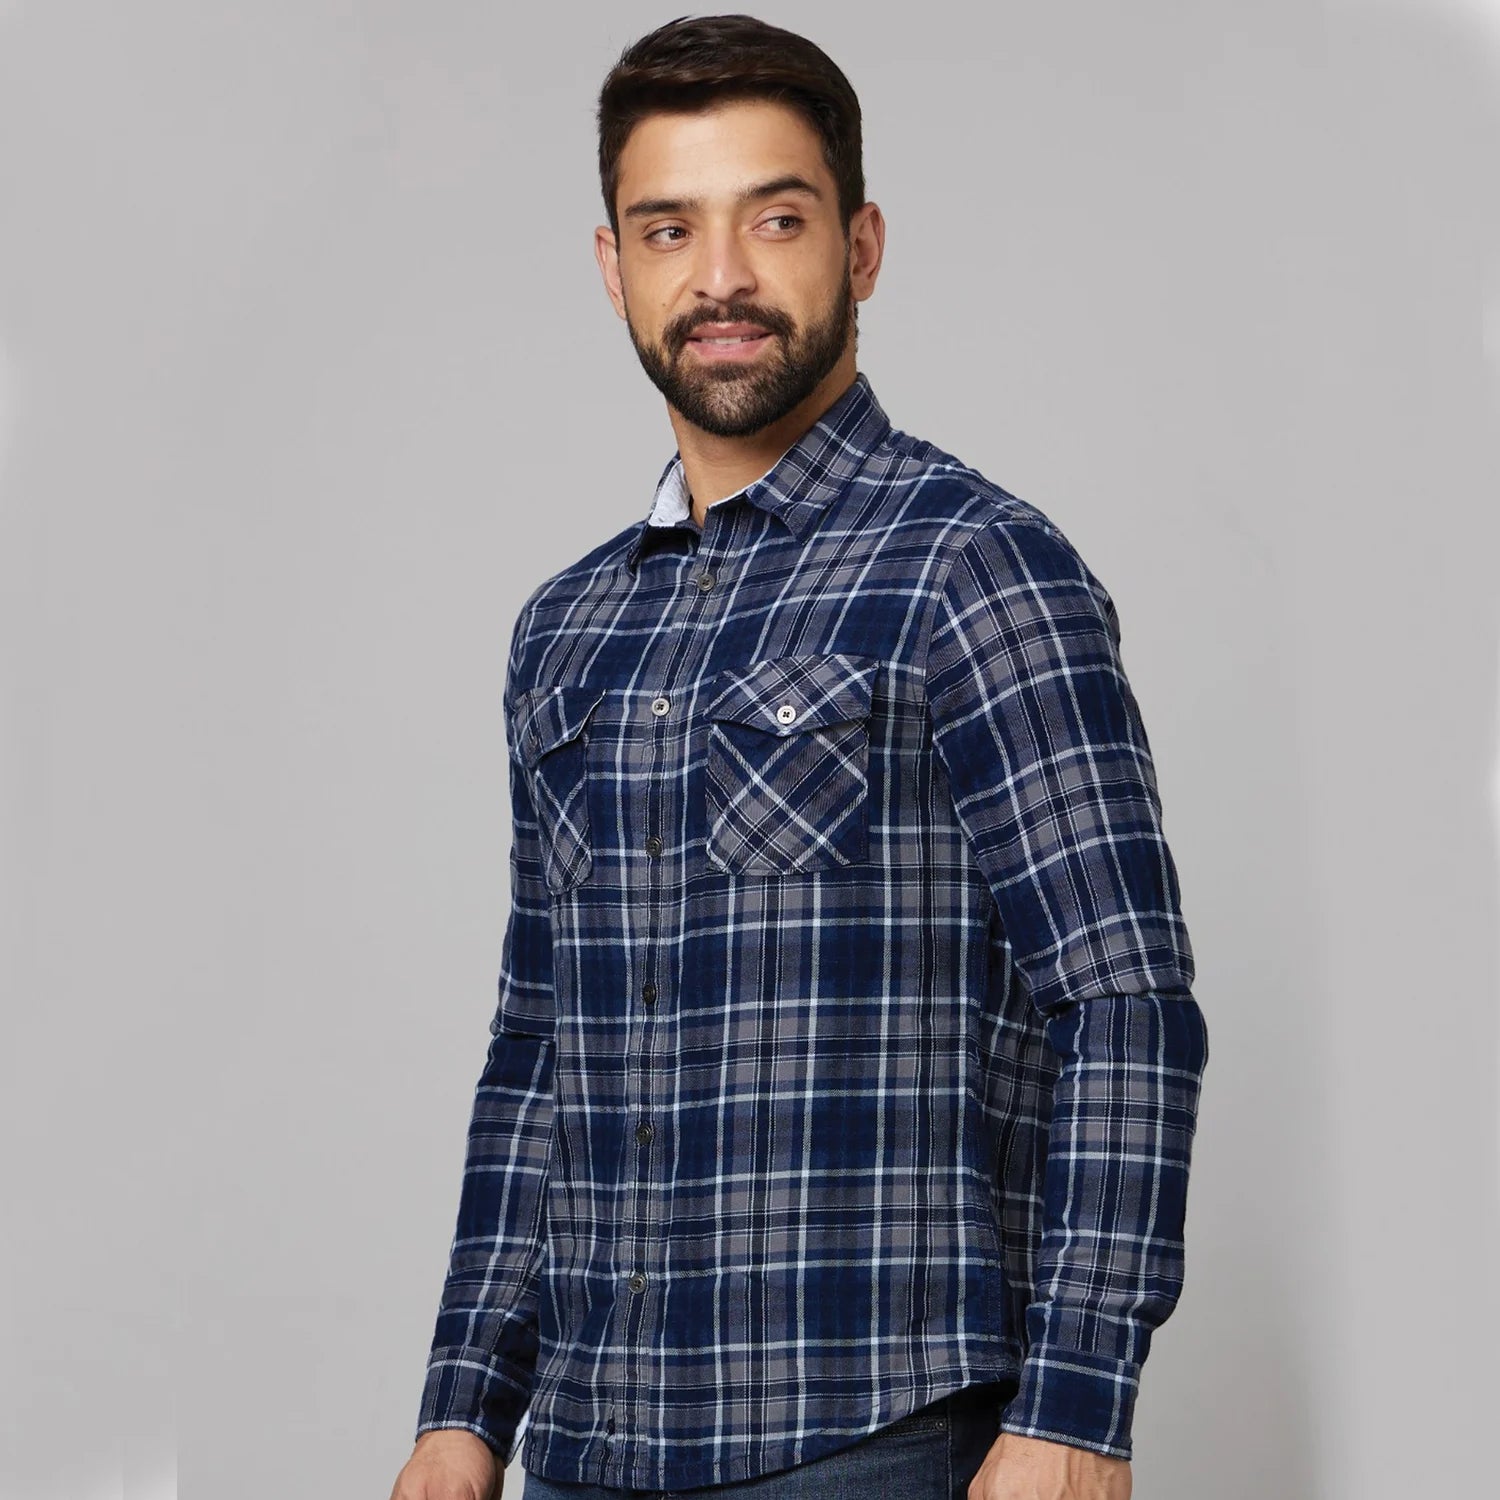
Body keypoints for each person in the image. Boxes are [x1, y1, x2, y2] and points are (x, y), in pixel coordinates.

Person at [389, 14, 1208, 1500]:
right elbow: (538, 1052)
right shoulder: (567, 629)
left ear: (862, 245)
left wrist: (1080, 1409)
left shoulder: (975, 568)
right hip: (585, 1446)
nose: (720, 277)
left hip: (870, 1439)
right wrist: (464, 1407)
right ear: (613, 266)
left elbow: (1125, 1002)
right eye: (669, 229)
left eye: (774, 219)